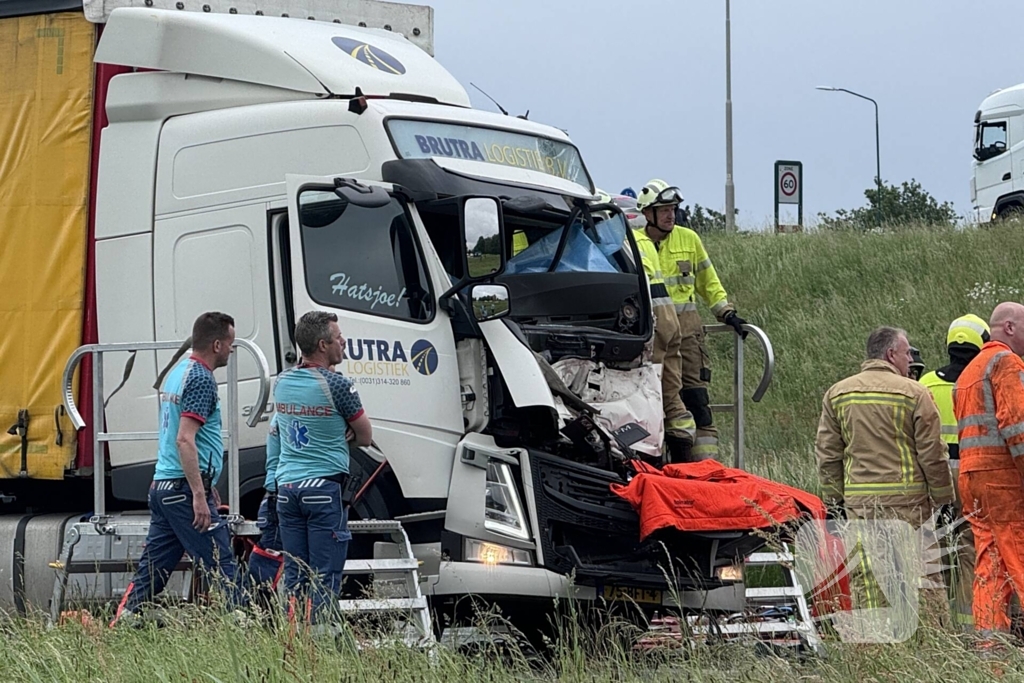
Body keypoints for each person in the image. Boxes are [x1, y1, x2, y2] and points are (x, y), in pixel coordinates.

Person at [816, 326, 954, 633]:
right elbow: (933, 454)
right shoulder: (915, 393)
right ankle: (931, 643)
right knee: (922, 580)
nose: (910, 360)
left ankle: (874, 647)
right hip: (910, 507)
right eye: (907, 353)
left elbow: (828, 454)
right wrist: (944, 500)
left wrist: (835, 503)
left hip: (861, 509)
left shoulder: (838, 394)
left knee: (869, 581)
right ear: (891, 354)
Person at [111, 312, 241, 625]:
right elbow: (184, 439)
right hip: (182, 490)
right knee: (219, 558)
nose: (232, 349)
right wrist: (199, 493)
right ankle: (242, 621)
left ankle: (127, 618)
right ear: (217, 344)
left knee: (155, 566)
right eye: (230, 343)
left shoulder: (178, 371)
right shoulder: (201, 379)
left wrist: (205, 483)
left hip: (163, 486)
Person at [636, 179, 747, 460]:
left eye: (673, 209)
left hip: (688, 336)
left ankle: (705, 467)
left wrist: (726, 312)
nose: (670, 215)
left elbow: (708, 281)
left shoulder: (689, 239)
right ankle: (671, 464)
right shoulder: (636, 243)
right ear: (647, 213)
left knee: (697, 401)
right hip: (655, 336)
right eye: (664, 210)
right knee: (658, 400)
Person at [275, 311, 372, 625]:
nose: (343, 341)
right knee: (323, 576)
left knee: (295, 574)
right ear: (322, 345)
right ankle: (319, 644)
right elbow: (365, 436)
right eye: (338, 337)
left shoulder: (282, 382)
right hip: (323, 489)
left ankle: (293, 640)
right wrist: (344, 431)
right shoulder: (338, 385)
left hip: (287, 490)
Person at [953, 302, 1024, 645]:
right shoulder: (1006, 362)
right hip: (1003, 482)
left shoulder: (968, 372)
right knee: (1020, 555)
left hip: (972, 480)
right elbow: (1018, 427)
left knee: (990, 566)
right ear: (1009, 327)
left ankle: (990, 648)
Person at [919, 314, 990, 631]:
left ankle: (939, 624)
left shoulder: (926, 383)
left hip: (934, 476)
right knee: (969, 549)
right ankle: (968, 624)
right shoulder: (983, 382)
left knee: (936, 549)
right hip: (972, 474)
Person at [632, 224, 697, 462]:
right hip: (669, 321)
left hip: (653, 323)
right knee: (672, 397)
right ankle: (684, 463)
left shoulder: (628, 242)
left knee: (651, 396)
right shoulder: (645, 243)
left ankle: (656, 466)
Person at [246, 413, 284, 608]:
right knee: (269, 559)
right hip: (279, 494)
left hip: (273, 494)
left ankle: (256, 609)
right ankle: (255, 609)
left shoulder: (281, 414)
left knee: (269, 556)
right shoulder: (292, 414)